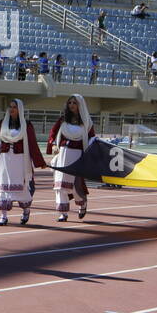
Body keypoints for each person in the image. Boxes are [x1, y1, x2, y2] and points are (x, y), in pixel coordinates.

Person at [0, 98, 46, 226]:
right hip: (4, 160)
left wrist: (40, 161)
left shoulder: (26, 125)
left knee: (22, 187)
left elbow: (32, 144)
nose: (11, 109)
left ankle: (26, 210)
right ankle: (3, 216)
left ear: (20, 109)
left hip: (20, 161)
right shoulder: (2, 123)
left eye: (14, 107)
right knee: (3, 187)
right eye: (10, 106)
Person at [46, 94, 95, 222]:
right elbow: (53, 134)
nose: (71, 105)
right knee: (60, 185)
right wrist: (53, 144)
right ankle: (63, 213)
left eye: (74, 103)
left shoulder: (87, 123)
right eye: (70, 103)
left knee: (75, 186)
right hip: (62, 154)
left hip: (77, 155)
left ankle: (82, 203)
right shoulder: (63, 120)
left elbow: (92, 140)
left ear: (80, 105)